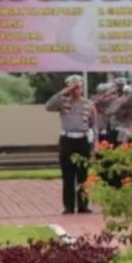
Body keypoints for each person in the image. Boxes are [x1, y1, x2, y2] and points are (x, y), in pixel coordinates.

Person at [45, 75, 96, 215]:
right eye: (73, 87)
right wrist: (64, 91)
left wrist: (94, 144)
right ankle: (68, 206)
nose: (76, 90)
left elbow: (93, 124)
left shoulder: (88, 103)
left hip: (82, 140)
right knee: (68, 175)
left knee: (83, 175)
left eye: (78, 87)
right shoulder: (62, 102)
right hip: (67, 140)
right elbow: (48, 106)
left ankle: (83, 205)